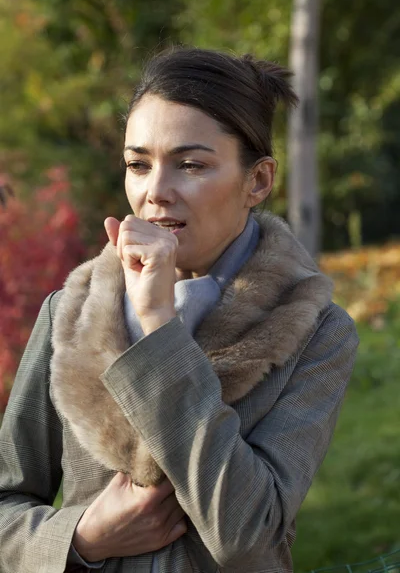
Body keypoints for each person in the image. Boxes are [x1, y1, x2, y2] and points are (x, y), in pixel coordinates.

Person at [0, 47, 359, 573]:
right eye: (138, 165)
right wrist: (83, 537)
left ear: (257, 181)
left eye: (191, 165)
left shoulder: (316, 330)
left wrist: (159, 327)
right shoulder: (72, 313)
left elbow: (246, 537)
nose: (155, 193)